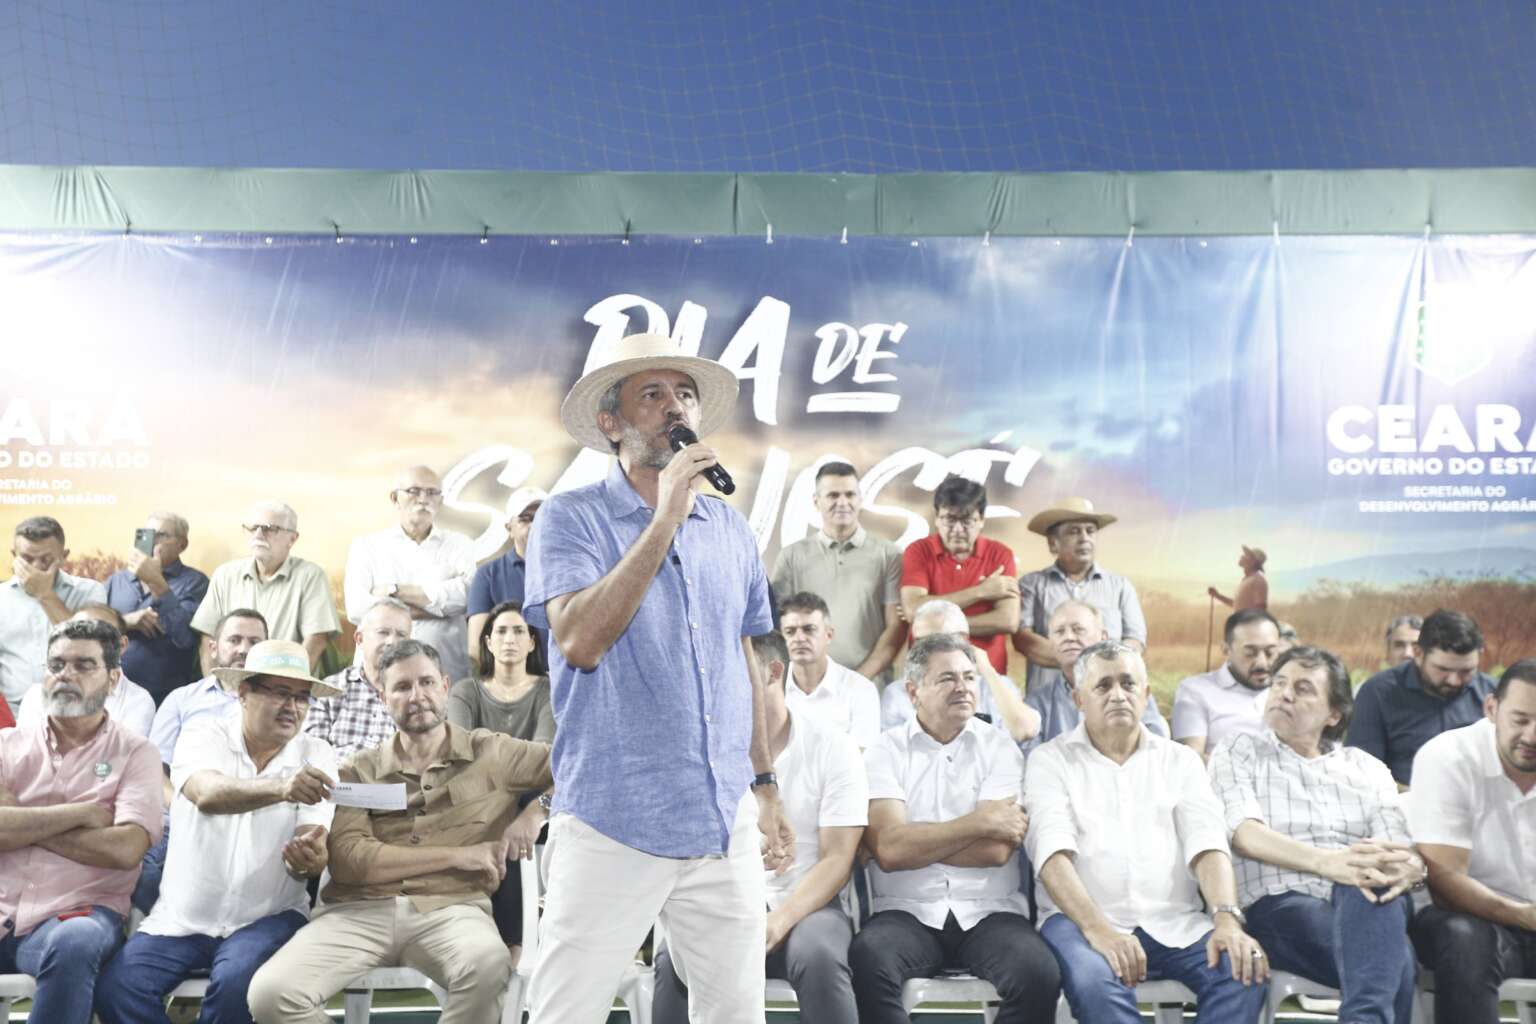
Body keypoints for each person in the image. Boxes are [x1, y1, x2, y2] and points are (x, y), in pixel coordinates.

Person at [520, 332, 788, 1024]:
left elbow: (744, 660)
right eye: (653, 393)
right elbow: (579, 641)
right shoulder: (570, 518)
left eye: (685, 394)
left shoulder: (730, 529)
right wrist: (666, 516)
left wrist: (764, 785)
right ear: (610, 422)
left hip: (719, 816)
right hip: (614, 816)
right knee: (565, 1013)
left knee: (737, 1015)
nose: (676, 407)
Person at [245, 639, 553, 1024]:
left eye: (426, 682)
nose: (417, 696)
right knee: (271, 994)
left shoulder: (493, 753)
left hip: (452, 909)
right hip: (356, 912)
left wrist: (536, 811)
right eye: (402, 687)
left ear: (445, 686)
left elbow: (577, 761)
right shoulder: (357, 770)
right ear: (383, 698)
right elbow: (353, 862)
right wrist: (460, 855)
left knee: (489, 967)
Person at [95, 639, 342, 1024]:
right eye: (280, 693)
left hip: (269, 917)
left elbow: (313, 839)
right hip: (181, 920)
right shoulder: (203, 734)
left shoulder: (317, 752)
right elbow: (207, 794)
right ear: (243, 692)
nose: (292, 707)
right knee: (117, 988)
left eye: (302, 697)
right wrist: (282, 788)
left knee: (236, 985)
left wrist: (308, 860)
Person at [1026, 641, 1269, 1024]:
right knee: (1095, 984)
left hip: (1174, 921)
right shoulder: (1050, 760)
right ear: (1078, 699)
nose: (1118, 695)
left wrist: (1226, 920)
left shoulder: (1181, 760)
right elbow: (1052, 855)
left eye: (1128, 683)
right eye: (1103, 686)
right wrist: (1099, 931)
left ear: (1146, 693)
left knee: (1243, 969)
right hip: (1080, 922)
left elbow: (1209, 844)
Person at [655, 631, 867, 1024]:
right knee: (672, 961)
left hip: (807, 903)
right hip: (722, 901)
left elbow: (838, 858)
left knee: (818, 954)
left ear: (773, 672)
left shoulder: (833, 746)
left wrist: (780, 919)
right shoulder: (706, 749)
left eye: (736, 672)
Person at [850, 633, 1061, 1022]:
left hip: (990, 911)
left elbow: (996, 850)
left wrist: (917, 840)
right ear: (913, 692)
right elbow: (891, 851)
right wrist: (980, 821)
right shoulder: (885, 750)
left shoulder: (999, 747)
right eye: (947, 678)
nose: (962, 687)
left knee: (1037, 973)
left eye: (969, 677)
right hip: (905, 911)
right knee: (867, 959)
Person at [1208, 645, 1421, 1024]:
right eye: (1279, 683)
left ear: (1334, 713)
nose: (1284, 694)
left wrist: (1408, 866)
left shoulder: (1367, 768)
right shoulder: (1240, 749)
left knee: (1370, 887)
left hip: (1363, 898)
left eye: (1303, 688)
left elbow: (1393, 850)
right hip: (1281, 903)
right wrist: (1329, 863)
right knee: (1398, 959)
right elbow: (1244, 834)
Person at [0, 618, 163, 1024]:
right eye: (56, 665)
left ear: (113, 679)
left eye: (83, 665)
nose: (66, 675)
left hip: (78, 912)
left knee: (76, 941)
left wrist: (22, 823)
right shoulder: (7, 745)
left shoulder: (136, 753)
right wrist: (81, 814)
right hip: (3, 908)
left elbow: (126, 849)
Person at [1407, 658, 1536, 1024]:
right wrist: (1523, 915)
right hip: (1463, 918)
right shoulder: (1449, 757)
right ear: (1492, 708)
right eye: (1520, 720)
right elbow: (1444, 882)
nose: (1532, 737)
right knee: (1464, 936)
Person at [136, 608, 270, 914]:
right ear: (213, 647)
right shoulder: (182, 700)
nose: (244, 649)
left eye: (254, 642)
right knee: (145, 873)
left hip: (250, 822)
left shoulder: (281, 705)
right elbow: (154, 769)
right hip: (181, 819)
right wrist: (185, 811)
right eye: (234, 640)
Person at [448, 600, 554, 965]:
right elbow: (458, 753)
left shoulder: (547, 690)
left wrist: (487, 753)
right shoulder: (466, 691)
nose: (510, 639)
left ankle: (513, 947)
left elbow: (544, 756)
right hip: (477, 799)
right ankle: (504, 945)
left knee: (512, 815)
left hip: (532, 801)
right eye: (501, 631)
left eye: (519, 631)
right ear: (488, 643)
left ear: (532, 642)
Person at [772, 462, 904, 682]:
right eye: (833, 495)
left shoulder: (889, 554)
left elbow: (896, 628)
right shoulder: (791, 556)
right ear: (816, 501)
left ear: (860, 500)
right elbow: (778, 628)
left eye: (850, 495)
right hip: (808, 688)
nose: (842, 502)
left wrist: (856, 681)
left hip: (870, 686)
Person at [344, 465, 477, 684]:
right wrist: (440, 610)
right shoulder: (367, 547)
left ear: (441, 500)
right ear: (395, 498)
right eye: (414, 491)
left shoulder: (460, 545)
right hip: (378, 679)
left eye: (432, 492)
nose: (423, 499)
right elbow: (357, 608)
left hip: (445, 674)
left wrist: (394, 592)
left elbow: (468, 597)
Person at [1012, 497, 1147, 701]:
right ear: (1053, 543)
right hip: (1047, 702)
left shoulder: (1120, 587)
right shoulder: (1032, 585)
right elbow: (1024, 640)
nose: (1084, 538)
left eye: (1090, 531)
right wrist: (1084, 663)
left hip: (1106, 701)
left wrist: (1098, 668)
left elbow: (1135, 641)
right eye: (1074, 532)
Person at [1347, 608, 1496, 787]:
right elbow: (1361, 772)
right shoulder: (1378, 691)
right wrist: (1420, 797)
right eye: (1443, 669)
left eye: (1466, 671)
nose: (1454, 681)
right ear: (1418, 654)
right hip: (1401, 798)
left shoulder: (1493, 693)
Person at [191, 502, 339, 672]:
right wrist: (214, 684)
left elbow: (316, 640)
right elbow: (208, 637)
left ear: (292, 538)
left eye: (270, 529)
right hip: (230, 681)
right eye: (253, 528)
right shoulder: (225, 575)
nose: (259, 535)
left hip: (284, 680)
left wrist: (290, 684)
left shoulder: (310, 576)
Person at [901, 475, 1019, 677]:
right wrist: (981, 592)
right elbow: (913, 610)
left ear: (981, 520)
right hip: (928, 675)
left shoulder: (1000, 555)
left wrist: (932, 625)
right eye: (950, 519)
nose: (957, 530)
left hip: (986, 674)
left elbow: (1008, 621)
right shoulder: (918, 551)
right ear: (937, 518)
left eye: (966, 521)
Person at [880, 598, 1040, 743]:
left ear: (963, 640)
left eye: (934, 642)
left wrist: (988, 671)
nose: (924, 651)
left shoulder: (994, 687)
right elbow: (894, 753)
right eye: (919, 642)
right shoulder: (898, 693)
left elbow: (1024, 731)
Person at [1024, 600, 1168, 751]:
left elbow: (1156, 750)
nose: (1069, 637)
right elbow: (1033, 758)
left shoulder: (1131, 691)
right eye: (1059, 632)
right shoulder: (1037, 702)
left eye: (1078, 630)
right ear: (1051, 641)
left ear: (1103, 637)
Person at [0, 516, 106, 711]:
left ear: (63, 556)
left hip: (75, 710)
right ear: (14, 556)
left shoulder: (90, 591)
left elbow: (88, 647)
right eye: (27, 559)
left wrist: (44, 594)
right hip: (11, 713)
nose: (36, 567)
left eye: (46, 560)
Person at [104, 511, 209, 703]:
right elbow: (92, 631)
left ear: (182, 545)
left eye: (161, 535)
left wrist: (156, 582)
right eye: (147, 534)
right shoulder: (116, 581)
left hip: (166, 698)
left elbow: (186, 639)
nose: (152, 540)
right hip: (112, 694)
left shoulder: (195, 582)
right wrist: (125, 622)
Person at [15, 604, 156, 737]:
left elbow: (122, 754)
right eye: (75, 633)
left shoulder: (138, 701)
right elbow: (28, 751)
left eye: (99, 636)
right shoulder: (37, 695)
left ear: (121, 645)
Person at [304, 597, 413, 758]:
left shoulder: (419, 696)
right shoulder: (329, 690)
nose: (392, 641)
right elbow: (311, 756)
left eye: (401, 635)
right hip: (338, 774)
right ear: (360, 639)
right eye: (383, 632)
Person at [1172, 609, 1282, 759]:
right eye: (1250, 653)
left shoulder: (1290, 692)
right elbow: (1190, 759)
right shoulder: (1195, 690)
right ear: (1226, 649)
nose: (1261, 663)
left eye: (1270, 652)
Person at [779, 591, 881, 748]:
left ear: (829, 635)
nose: (799, 638)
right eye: (790, 631)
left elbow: (863, 755)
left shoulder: (861, 689)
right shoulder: (771, 689)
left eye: (809, 629)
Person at [466, 498, 544, 673]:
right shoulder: (488, 574)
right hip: (515, 684)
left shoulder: (568, 570)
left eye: (540, 518)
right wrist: (515, 683)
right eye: (525, 520)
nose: (534, 525)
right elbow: (476, 647)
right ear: (509, 528)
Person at [1209, 545, 1269, 611]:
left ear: (1253, 562)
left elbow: (1260, 610)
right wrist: (1217, 595)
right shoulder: (1247, 580)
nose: (1242, 556)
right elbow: (1236, 605)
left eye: (1246, 555)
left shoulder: (1257, 580)